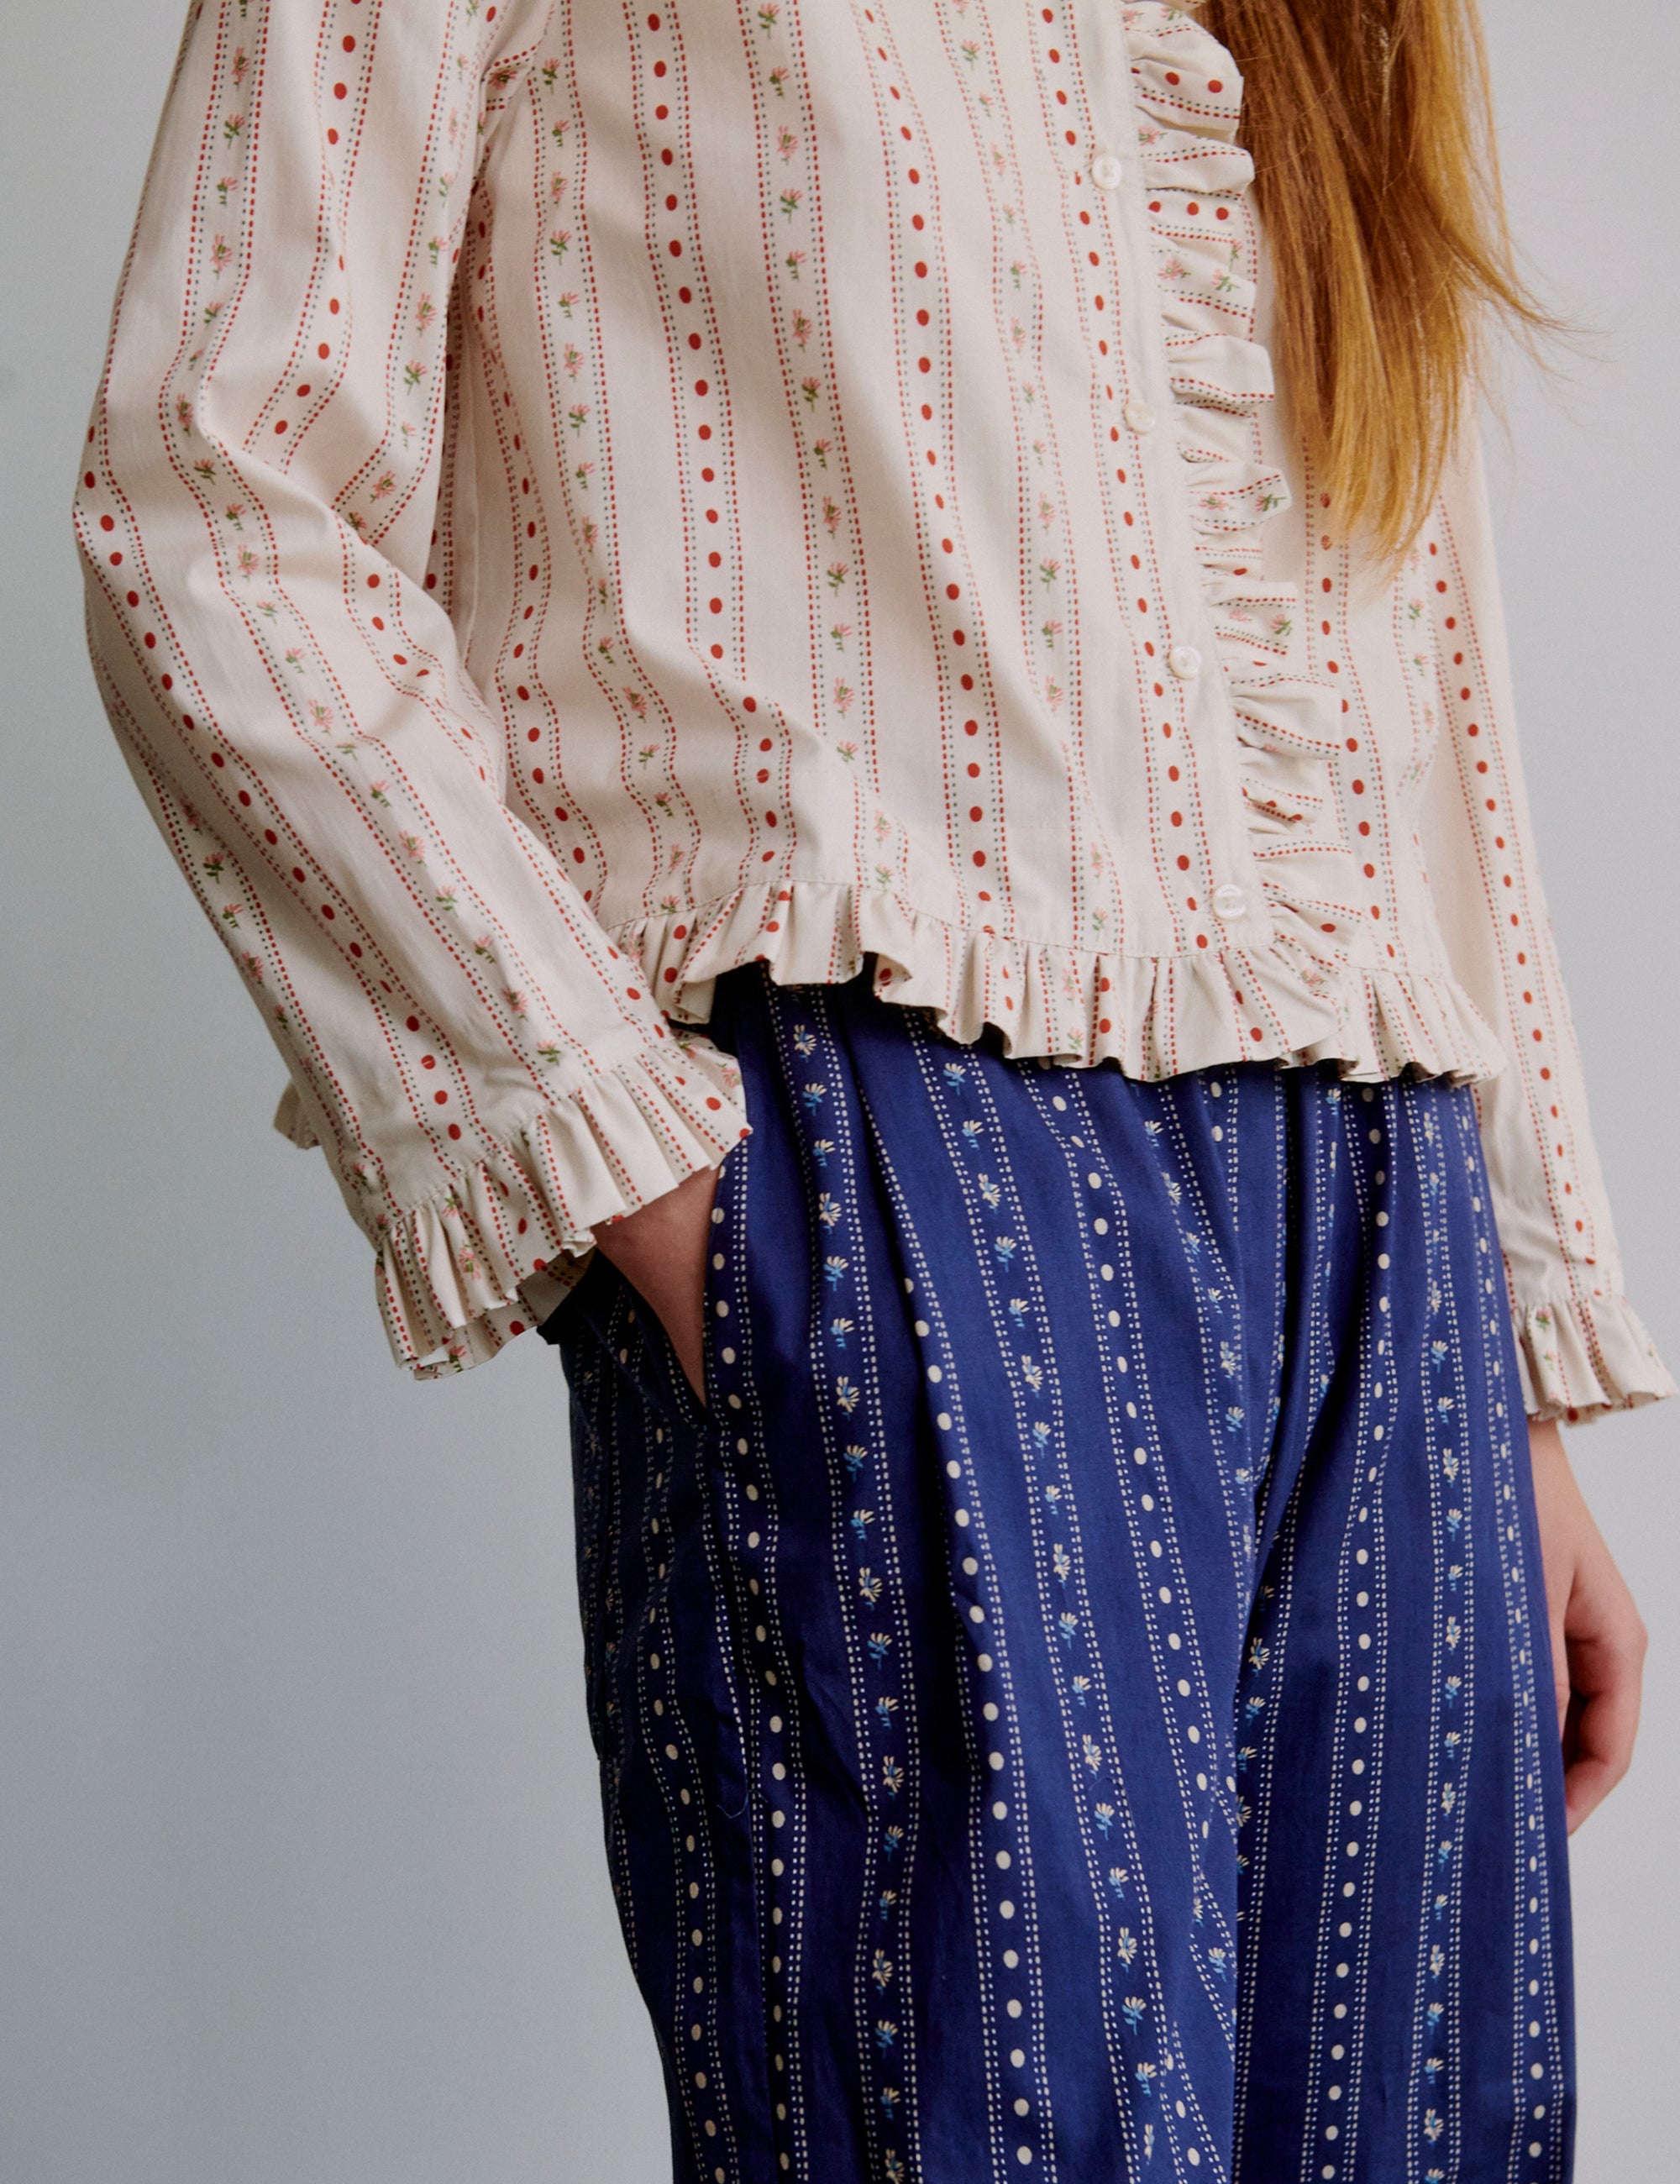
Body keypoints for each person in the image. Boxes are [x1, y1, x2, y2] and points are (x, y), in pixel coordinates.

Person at [71, 0, 1668, 2176]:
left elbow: (1407, 661)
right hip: (909, 1156)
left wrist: (1525, 1376)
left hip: (1388, 1229)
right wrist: (650, 1180)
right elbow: (214, 494)